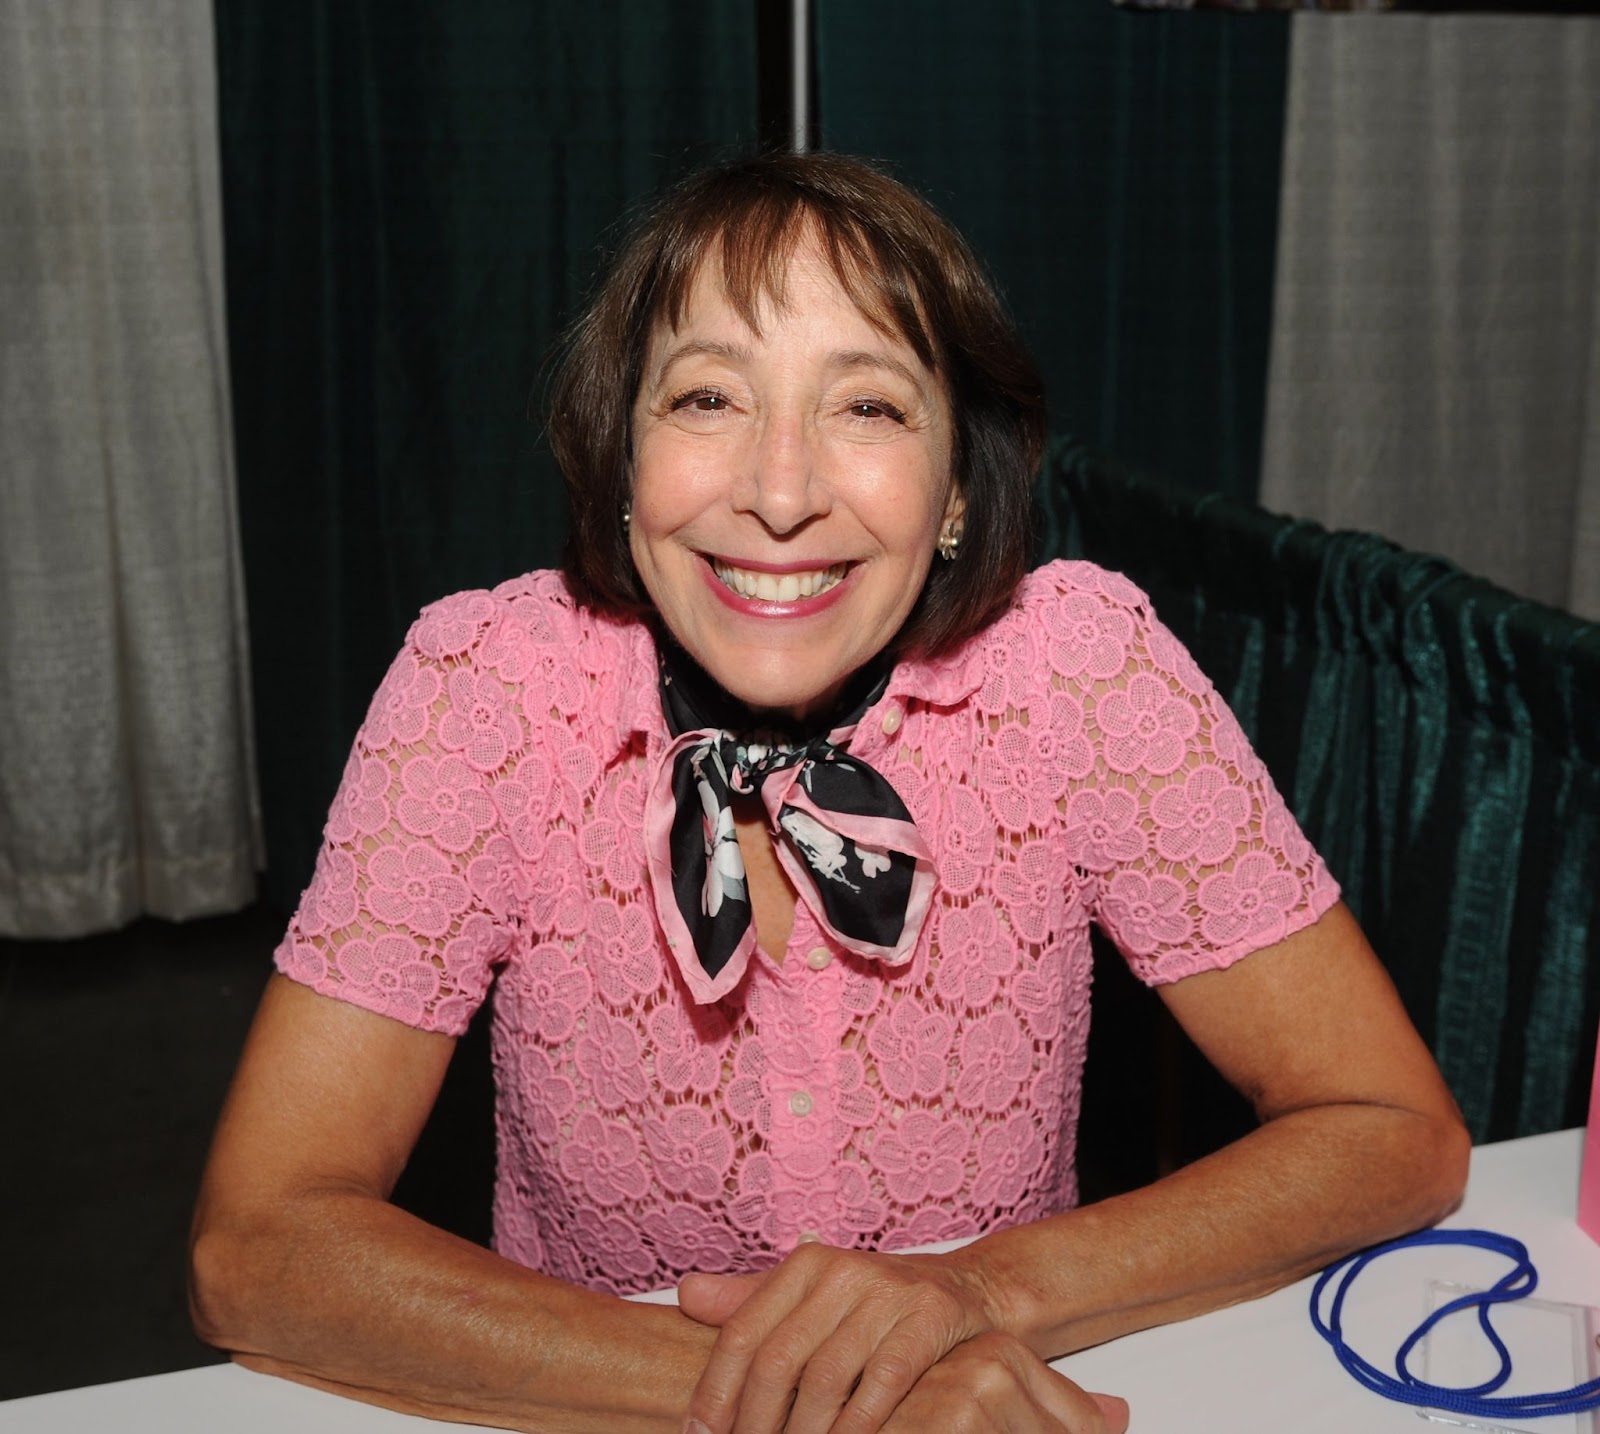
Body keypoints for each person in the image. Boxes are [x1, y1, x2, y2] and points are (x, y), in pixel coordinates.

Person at [189, 152, 1469, 1434]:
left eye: (866, 408)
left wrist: (974, 1293)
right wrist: (836, 1403)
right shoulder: (488, 689)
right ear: (619, 458)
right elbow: (257, 1249)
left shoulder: (1078, 669)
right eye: (705, 400)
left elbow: (1389, 1129)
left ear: (959, 486)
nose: (782, 490)